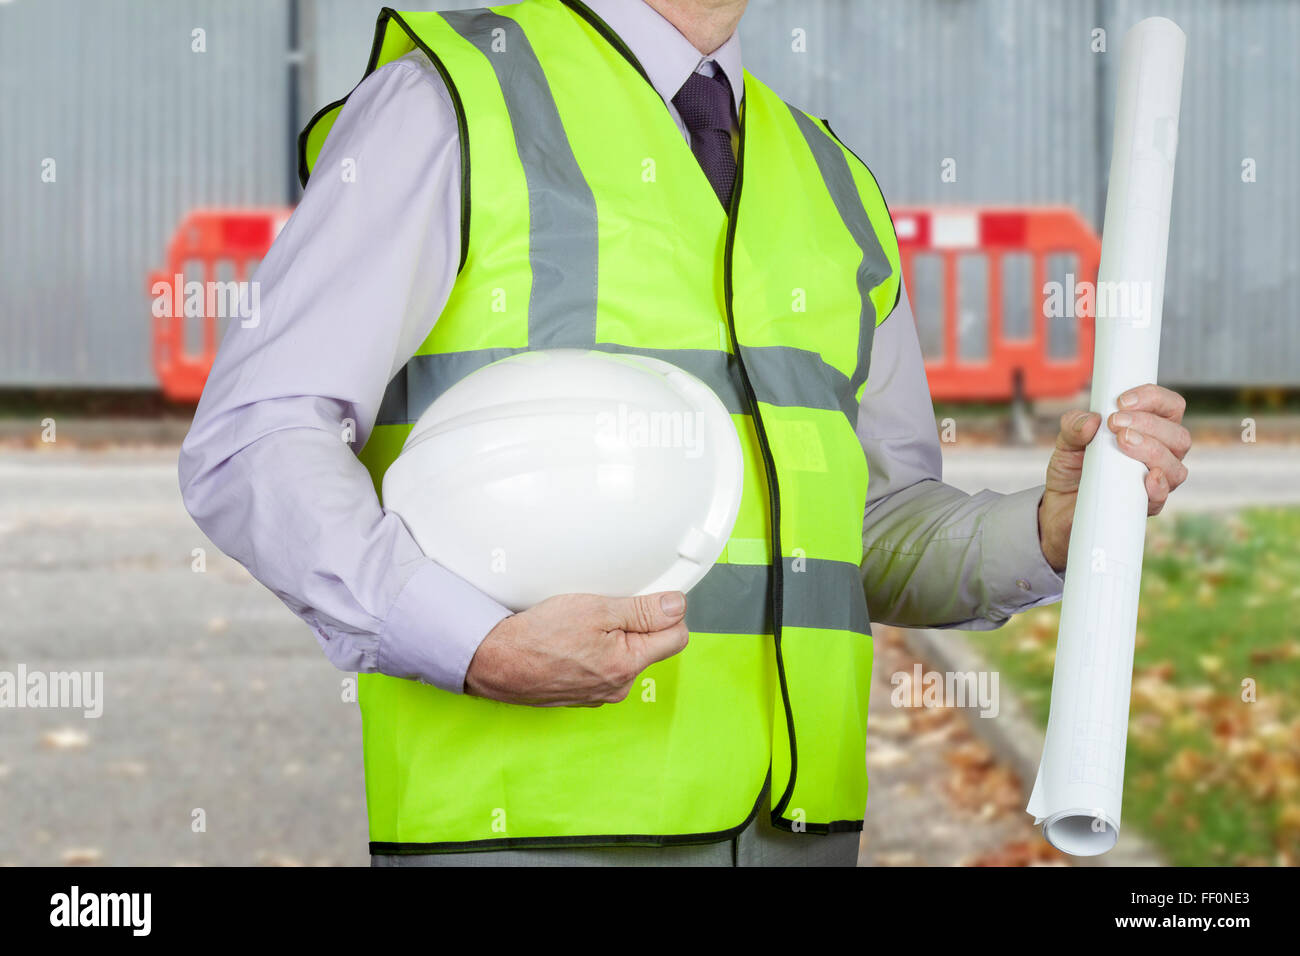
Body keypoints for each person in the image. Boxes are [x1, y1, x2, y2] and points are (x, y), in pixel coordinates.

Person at [179, 0, 1191, 867]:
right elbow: (254, 435)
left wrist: (1050, 533)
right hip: (530, 834)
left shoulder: (829, 179)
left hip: (797, 835)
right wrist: (472, 641)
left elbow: (869, 531)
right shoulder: (448, 104)